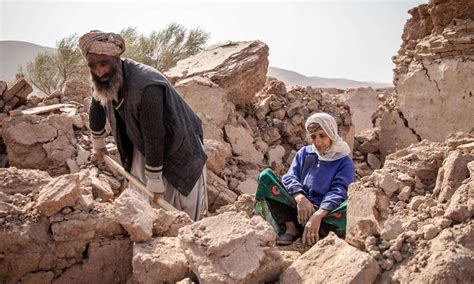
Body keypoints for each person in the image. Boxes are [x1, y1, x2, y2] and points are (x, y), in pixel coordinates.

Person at [79, 31, 208, 221]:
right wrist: (98, 146)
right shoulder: (102, 79)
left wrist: (154, 179)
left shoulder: (146, 85)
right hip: (144, 144)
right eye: (93, 66)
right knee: (142, 206)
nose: (99, 71)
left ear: (116, 58)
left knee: (185, 211)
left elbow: (154, 134)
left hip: (181, 145)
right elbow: (97, 106)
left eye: (103, 63)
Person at [268, 112, 355, 245]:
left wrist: (318, 214)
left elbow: (340, 190)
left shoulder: (344, 161)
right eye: (313, 137)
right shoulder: (305, 153)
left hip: (325, 212)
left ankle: (317, 231)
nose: (318, 142)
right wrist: (300, 198)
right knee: (267, 178)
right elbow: (290, 176)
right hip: (299, 207)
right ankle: (291, 228)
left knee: (348, 205)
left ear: (331, 133)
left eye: (322, 135)